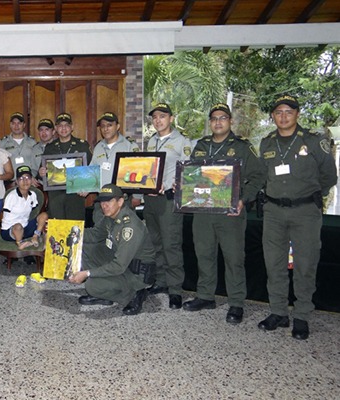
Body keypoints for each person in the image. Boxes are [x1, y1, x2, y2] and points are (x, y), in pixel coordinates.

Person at [257, 95, 337, 340]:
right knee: (274, 264)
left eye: (289, 112)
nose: (283, 116)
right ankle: (278, 312)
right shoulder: (267, 143)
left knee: (305, 264)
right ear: (273, 116)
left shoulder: (313, 140)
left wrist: (312, 195)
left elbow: (329, 176)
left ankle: (301, 316)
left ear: (298, 114)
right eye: (279, 112)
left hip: (305, 212)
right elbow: (262, 175)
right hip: (273, 211)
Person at [182, 104, 265, 324]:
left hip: (230, 213)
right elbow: (192, 176)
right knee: (204, 254)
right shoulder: (201, 146)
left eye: (223, 118)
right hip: (203, 211)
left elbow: (258, 176)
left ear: (230, 121)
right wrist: (183, 187)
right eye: (214, 119)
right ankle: (205, 296)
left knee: (234, 258)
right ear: (210, 123)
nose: (218, 122)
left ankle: (236, 303)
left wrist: (243, 199)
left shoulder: (242, 147)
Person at [69, 184, 156, 316]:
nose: (104, 205)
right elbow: (95, 235)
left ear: (120, 202)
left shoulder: (130, 227)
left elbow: (119, 266)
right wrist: (66, 231)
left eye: (109, 201)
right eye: (102, 201)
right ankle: (106, 293)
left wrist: (87, 273)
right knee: (83, 248)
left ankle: (134, 294)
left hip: (136, 274)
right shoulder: (111, 216)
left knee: (92, 286)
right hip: (122, 263)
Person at [143, 103, 193, 310]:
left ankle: (175, 290)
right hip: (150, 200)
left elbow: (188, 171)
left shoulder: (182, 141)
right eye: (155, 117)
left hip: (169, 200)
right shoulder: (151, 141)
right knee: (155, 243)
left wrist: (178, 183)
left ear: (171, 118)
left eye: (162, 116)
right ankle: (161, 281)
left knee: (171, 245)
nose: (158, 120)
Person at [38, 112, 92, 220]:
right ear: (56, 128)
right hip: (55, 194)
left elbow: (91, 169)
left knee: (75, 225)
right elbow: (41, 172)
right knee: (58, 225)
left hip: (76, 194)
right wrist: (41, 172)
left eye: (67, 125)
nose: (63, 128)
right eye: (60, 125)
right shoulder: (50, 148)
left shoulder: (82, 146)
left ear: (72, 127)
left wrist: (87, 187)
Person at [89, 112, 141, 222]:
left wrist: (137, 196)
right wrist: (84, 187)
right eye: (103, 126)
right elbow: (91, 172)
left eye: (109, 125)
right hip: (102, 201)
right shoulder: (98, 147)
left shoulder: (129, 146)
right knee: (101, 231)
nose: (105, 129)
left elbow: (138, 171)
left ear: (117, 126)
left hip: (122, 200)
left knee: (124, 230)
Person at [0, 166, 48, 250]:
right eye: (21, 178)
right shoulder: (12, 196)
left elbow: (34, 213)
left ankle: (35, 237)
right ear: (17, 181)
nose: (25, 181)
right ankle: (20, 243)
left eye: (27, 178)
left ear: (31, 180)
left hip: (25, 227)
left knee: (44, 215)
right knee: (18, 226)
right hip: (10, 230)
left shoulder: (33, 195)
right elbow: (4, 215)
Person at [0, 112, 36, 177]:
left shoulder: (32, 142)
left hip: (28, 180)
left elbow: (36, 163)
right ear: (10, 125)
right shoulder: (3, 143)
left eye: (19, 123)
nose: (16, 126)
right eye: (14, 123)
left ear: (24, 125)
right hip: (10, 181)